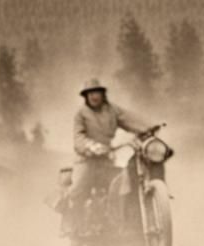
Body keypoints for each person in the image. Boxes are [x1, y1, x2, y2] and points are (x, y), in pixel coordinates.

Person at [62, 78, 148, 235]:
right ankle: (73, 226)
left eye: (97, 92)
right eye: (90, 93)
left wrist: (148, 128)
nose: (94, 96)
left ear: (103, 94)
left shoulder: (112, 110)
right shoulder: (81, 115)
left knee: (122, 187)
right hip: (86, 160)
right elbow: (78, 138)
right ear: (86, 96)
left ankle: (122, 226)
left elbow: (130, 120)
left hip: (106, 160)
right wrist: (93, 146)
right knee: (78, 190)